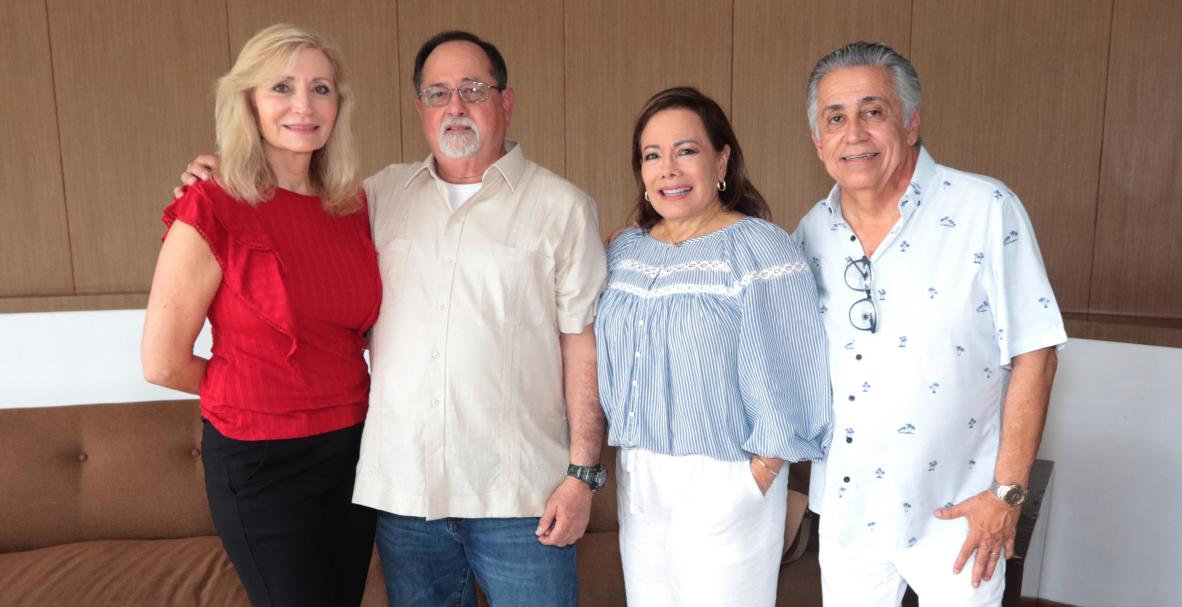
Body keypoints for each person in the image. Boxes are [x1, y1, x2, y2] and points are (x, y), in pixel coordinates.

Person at [180, 30, 609, 606]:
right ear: (420, 109)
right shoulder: (373, 199)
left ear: (505, 102)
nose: (454, 106)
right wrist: (212, 177)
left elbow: (582, 344)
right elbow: (286, 208)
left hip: (521, 498)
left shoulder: (564, 209)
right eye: (437, 93)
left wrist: (583, 475)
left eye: (472, 89)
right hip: (406, 500)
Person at [794, 41, 1066, 605]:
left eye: (874, 112)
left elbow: (1037, 354)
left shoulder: (986, 208)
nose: (855, 133)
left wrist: (1006, 495)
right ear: (819, 140)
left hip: (960, 511)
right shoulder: (810, 233)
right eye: (835, 118)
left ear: (911, 123)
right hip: (850, 512)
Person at [142, 24, 380, 607]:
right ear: (248, 102)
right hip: (261, 462)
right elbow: (161, 362)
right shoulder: (213, 202)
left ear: (338, 105)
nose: (304, 105)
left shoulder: (352, 206)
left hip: (354, 448)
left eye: (320, 88)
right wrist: (256, 388)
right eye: (282, 86)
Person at [595, 86, 832, 606]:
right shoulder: (626, 251)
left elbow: (794, 364)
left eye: (686, 150)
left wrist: (760, 473)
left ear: (722, 158)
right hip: (639, 473)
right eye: (652, 155)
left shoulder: (761, 247)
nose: (668, 169)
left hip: (726, 471)